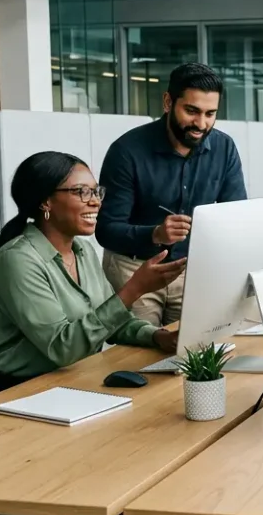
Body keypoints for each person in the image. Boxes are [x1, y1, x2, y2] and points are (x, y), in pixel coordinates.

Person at [0, 152, 182, 515]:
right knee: (128, 451)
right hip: (18, 393)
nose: (95, 201)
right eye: (81, 192)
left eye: (96, 191)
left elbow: (111, 320)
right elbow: (62, 346)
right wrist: (133, 289)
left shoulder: (83, 251)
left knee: (161, 437)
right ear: (45, 203)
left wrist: (156, 336)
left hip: (70, 385)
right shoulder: (19, 260)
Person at [96, 62, 247, 326]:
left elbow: (235, 216)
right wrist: (155, 234)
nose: (201, 123)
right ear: (168, 102)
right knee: (140, 350)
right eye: (192, 111)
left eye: (210, 114)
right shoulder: (126, 151)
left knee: (195, 348)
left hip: (192, 269)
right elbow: (106, 230)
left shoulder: (224, 148)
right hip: (135, 269)